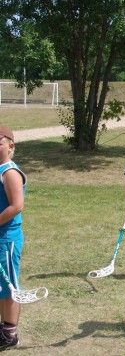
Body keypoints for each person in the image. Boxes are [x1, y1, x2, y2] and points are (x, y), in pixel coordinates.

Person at [0, 125, 26, 350]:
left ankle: (10, 334)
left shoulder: (9, 172)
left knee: (9, 287)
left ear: (10, 146)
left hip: (6, 239)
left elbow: (16, 206)